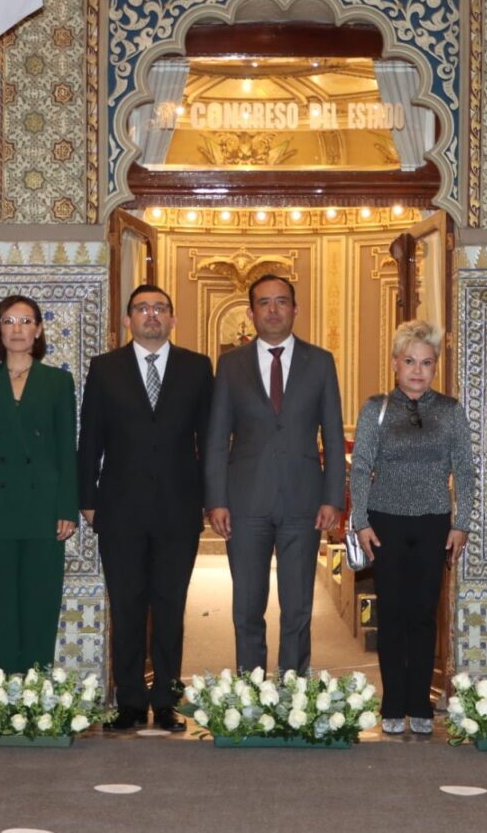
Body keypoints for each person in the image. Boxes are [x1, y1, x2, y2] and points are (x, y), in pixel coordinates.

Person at [78, 285, 214, 732]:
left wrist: (212, 500)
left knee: (171, 607)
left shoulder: (197, 368)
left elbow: (210, 442)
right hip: (120, 509)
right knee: (128, 604)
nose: (151, 315)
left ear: (173, 319)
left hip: (178, 508)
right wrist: (87, 499)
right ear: (127, 320)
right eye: (142, 309)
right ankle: (130, 701)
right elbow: (90, 439)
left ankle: (167, 701)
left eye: (160, 309)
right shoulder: (105, 369)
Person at [205, 274, 345, 674]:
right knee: (247, 606)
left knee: (298, 606)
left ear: (295, 309)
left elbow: (333, 436)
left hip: (304, 501)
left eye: (281, 301)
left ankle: (293, 689)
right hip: (245, 501)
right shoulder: (231, 364)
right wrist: (216, 499)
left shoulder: (320, 362)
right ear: (250, 313)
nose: (273, 309)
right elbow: (217, 438)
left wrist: (333, 497)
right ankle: (250, 694)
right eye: (264, 303)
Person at [349, 320, 475, 736]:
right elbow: (362, 467)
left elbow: (466, 471)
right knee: (394, 614)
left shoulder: (451, 411)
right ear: (395, 364)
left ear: (435, 367)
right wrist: (361, 521)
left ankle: (419, 702)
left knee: (423, 616)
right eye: (410, 362)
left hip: (434, 523)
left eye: (427, 362)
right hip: (384, 522)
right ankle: (393, 701)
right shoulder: (376, 409)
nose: (418, 370)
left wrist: (462, 523)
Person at [0, 294, 78, 675]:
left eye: (26, 321)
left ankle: (35, 684)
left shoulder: (59, 381)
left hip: (43, 508)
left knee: (39, 598)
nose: (17, 329)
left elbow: (66, 450)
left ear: (39, 330)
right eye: (9, 321)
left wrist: (66, 508)